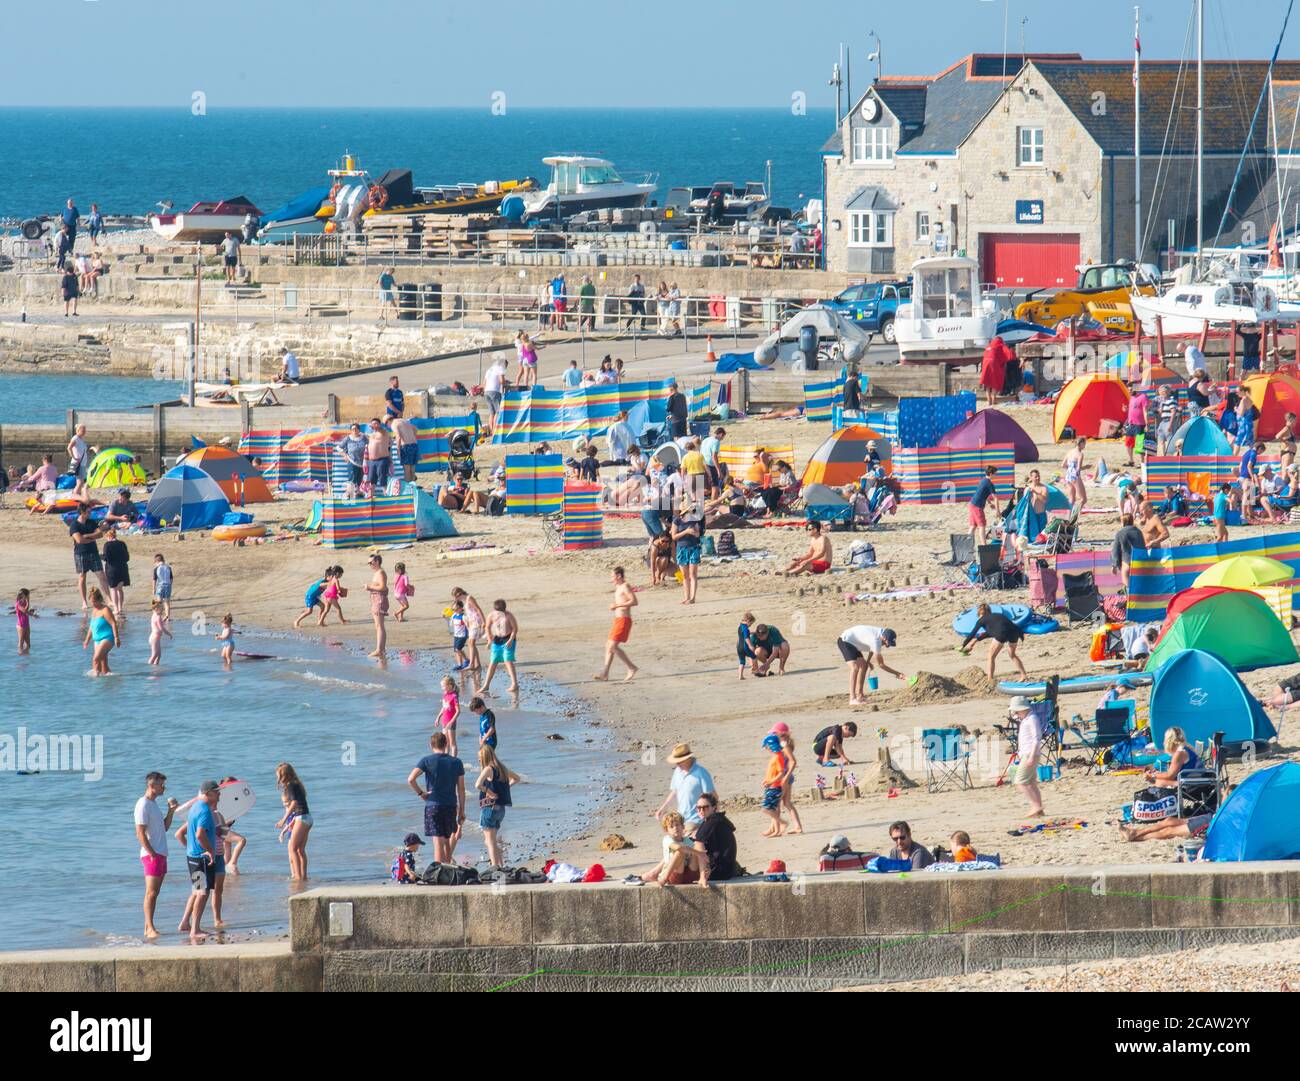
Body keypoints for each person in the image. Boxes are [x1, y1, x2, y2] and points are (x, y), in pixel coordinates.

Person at [134, 771, 179, 939]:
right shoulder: (143, 804)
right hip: (151, 854)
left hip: (161, 852)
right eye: (161, 785)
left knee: (155, 893)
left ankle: (148, 927)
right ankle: (149, 928)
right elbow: (139, 833)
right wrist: (152, 853)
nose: (164, 788)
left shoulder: (153, 805)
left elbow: (165, 827)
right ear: (152, 785)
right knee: (151, 893)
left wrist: (171, 811)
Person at [408, 731, 465, 864]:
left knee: (437, 841)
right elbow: (461, 789)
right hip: (450, 805)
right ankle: (447, 868)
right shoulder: (456, 762)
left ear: (431, 745)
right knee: (447, 840)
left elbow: (411, 779)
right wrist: (462, 810)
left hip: (433, 805)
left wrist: (421, 793)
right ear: (446, 744)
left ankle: (439, 871)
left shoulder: (426, 761)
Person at [183, 780, 222, 942]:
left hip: (193, 857)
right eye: (216, 792)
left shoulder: (195, 807)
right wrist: (210, 851)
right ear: (207, 794)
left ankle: (192, 926)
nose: (219, 795)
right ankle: (195, 929)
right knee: (202, 893)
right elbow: (200, 834)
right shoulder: (205, 810)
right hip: (201, 858)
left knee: (199, 892)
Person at [958, 602, 1029, 682]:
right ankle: (1024, 675)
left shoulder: (981, 620)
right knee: (1012, 654)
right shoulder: (997, 615)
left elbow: (972, 633)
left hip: (1002, 633)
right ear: (989, 611)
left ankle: (990, 679)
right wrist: (974, 641)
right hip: (1015, 632)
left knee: (991, 656)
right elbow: (992, 632)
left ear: (979, 613)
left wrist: (963, 645)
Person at [475, 745, 520, 868]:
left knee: (489, 841)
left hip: (489, 808)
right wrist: (505, 788)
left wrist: (488, 791)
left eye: (479, 758)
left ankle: (495, 867)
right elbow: (516, 778)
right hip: (501, 810)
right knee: (492, 841)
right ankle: (501, 866)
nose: (479, 761)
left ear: (484, 757)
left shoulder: (488, 769)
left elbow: (477, 784)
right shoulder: (502, 768)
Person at [836, 625, 903, 705]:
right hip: (845, 641)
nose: (887, 646)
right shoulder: (876, 640)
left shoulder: (880, 634)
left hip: (854, 643)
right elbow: (881, 664)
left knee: (864, 666)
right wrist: (897, 673)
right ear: (884, 638)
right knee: (855, 667)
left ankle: (860, 696)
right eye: (887, 643)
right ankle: (852, 699)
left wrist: (867, 661)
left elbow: (872, 648)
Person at [654, 743, 715, 828]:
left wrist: (712, 821)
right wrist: (663, 808)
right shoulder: (677, 772)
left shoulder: (701, 773)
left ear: (687, 759)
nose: (677, 764)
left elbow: (712, 797)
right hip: (681, 819)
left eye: (679, 761)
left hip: (697, 821)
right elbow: (675, 792)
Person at [594, 566, 638, 682]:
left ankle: (631, 667)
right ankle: (605, 673)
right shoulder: (618, 587)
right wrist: (615, 607)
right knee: (608, 645)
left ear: (619, 576)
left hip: (624, 620)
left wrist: (617, 606)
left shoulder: (625, 586)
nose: (611, 579)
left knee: (612, 646)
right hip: (618, 620)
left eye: (613, 576)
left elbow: (634, 601)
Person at [641, 812, 704, 886]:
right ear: (666, 830)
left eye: (677, 825)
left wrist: (699, 853)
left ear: (683, 827)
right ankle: (664, 879)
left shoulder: (687, 841)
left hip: (688, 875)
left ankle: (703, 877)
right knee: (680, 852)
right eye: (671, 826)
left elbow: (698, 852)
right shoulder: (667, 840)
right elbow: (678, 847)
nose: (675, 828)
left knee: (698, 845)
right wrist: (697, 852)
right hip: (673, 875)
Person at [1008, 696, 1045, 817]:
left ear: (1024, 709)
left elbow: (1036, 738)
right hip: (1026, 753)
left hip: (1030, 753)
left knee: (1020, 781)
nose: (1016, 714)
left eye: (1017, 711)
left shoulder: (1032, 719)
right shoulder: (1026, 719)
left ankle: (1035, 806)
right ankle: (1039, 808)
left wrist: (1032, 756)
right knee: (1031, 782)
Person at [275, 763, 312, 880]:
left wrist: (283, 820)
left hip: (302, 818)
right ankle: (303, 877)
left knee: (292, 849)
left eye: (279, 776)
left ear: (284, 775)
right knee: (300, 850)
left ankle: (297, 877)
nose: (278, 779)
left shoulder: (291, 785)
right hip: (307, 818)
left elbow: (294, 803)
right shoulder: (297, 784)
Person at [690, 791, 737, 884]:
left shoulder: (712, 821)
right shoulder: (717, 819)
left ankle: (703, 876)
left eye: (705, 807)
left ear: (714, 807)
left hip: (719, 871)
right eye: (699, 808)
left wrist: (703, 875)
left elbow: (699, 842)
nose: (702, 810)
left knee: (690, 846)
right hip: (727, 869)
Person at [478, 599, 519, 698]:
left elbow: (515, 628)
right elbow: (487, 627)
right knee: (493, 662)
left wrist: (510, 640)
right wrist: (489, 640)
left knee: (507, 660)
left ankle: (514, 684)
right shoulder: (492, 615)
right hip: (496, 640)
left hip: (508, 638)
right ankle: (486, 685)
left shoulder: (509, 615)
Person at [670, 498, 702, 604]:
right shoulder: (677, 521)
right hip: (681, 548)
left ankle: (692, 598)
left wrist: (695, 533)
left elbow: (698, 534)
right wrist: (686, 531)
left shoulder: (694, 520)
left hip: (693, 547)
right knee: (685, 576)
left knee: (693, 574)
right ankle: (686, 597)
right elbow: (674, 536)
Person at [1109, 513, 1146, 592]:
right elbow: (1143, 548)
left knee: (1128, 587)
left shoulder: (1120, 533)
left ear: (1123, 522)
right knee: (1139, 588)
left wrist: (1114, 565)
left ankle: (1130, 602)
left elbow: (1115, 550)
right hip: (1140, 563)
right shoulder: (1138, 532)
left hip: (1127, 562)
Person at [1118, 813, 1213, 843]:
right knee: (1169, 820)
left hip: (1212, 823)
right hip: (1211, 816)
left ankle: (1135, 837)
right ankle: (1136, 833)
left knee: (1169, 831)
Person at [967, 465, 1001, 549]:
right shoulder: (989, 483)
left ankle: (966, 544)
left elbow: (981, 493)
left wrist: (989, 503)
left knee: (973, 526)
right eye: (994, 474)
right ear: (990, 474)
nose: (995, 475)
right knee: (982, 525)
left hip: (972, 504)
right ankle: (984, 546)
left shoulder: (983, 481)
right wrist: (997, 511)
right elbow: (996, 498)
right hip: (977, 507)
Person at [778, 731, 803, 835]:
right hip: (787, 776)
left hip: (784, 777)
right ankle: (798, 826)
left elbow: (792, 761)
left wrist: (785, 777)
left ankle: (777, 828)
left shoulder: (784, 747)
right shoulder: (786, 745)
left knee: (776, 803)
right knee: (787, 803)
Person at [101, 527, 130, 616]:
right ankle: (120, 608)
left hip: (112, 569)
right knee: (120, 590)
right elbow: (127, 558)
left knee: (113, 589)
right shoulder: (122, 543)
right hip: (123, 568)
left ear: (109, 536)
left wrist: (100, 556)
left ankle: (116, 609)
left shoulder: (107, 545)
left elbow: (106, 558)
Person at [365, 553, 388, 658]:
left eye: (371, 562)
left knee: (379, 626)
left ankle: (379, 650)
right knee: (378, 626)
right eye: (368, 563)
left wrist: (370, 588)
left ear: (377, 562)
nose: (370, 564)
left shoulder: (381, 572)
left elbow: (383, 587)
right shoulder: (377, 573)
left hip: (379, 600)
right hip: (376, 600)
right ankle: (381, 649)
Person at [979, 336, 1012, 406]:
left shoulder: (989, 346)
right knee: (995, 384)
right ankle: (993, 402)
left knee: (987, 385)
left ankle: (989, 403)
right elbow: (1009, 354)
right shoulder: (1000, 344)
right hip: (994, 364)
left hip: (985, 364)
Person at [1123, 388, 1149, 466]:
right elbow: (1132, 410)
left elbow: (1145, 411)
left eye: (1131, 390)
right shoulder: (1132, 398)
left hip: (1140, 424)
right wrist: (1126, 409)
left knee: (1140, 444)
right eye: (1128, 390)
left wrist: (1147, 424)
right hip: (1131, 424)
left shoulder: (1143, 396)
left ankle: (1142, 463)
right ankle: (1131, 461)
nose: (1129, 391)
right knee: (1128, 443)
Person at [365, 418, 391, 492]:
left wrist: (376, 426)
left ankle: (387, 498)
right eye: (373, 424)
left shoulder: (384, 432)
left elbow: (380, 430)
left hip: (382, 460)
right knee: (371, 480)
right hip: (372, 461)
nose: (374, 425)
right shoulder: (371, 435)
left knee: (383, 480)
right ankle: (370, 497)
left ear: (380, 424)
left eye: (376, 423)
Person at [1062, 437, 1088, 513]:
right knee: (1083, 499)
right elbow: (1078, 469)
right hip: (1075, 476)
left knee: (1072, 499)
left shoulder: (1069, 452)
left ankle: (1068, 516)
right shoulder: (1080, 454)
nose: (1084, 446)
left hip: (1068, 475)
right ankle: (1075, 515)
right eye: (1084, 444)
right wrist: (1086, 467)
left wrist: (1070, 469)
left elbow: (1063, 465)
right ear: (1081, 444)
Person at [483, 356, 508, 432]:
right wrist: (505, 382)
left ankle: (491, 431)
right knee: (497, 412)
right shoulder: (500, 369)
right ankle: (495, 431)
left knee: (491, 413)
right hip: (494, 391)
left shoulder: (490, 369)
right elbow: (501, 381)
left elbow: (484, 383)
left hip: (486, 392)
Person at [392, 414, 419, 482]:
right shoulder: (405, 421)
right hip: (414, 445)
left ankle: (408, 490)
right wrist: (412, 437)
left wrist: (398, 450)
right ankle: (413, 488)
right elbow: (415, 429)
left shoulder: (394, 423)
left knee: (406, 471)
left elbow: (398, 436)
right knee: (412, 470)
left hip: (406, 446)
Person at [67, 423, 90, 497]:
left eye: (85, 430)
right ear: (78, 430)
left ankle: (77, 496)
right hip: (78, 464)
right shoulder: (75, 438)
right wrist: (73, 457)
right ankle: (74, 496)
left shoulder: (81, 439)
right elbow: (69, 447)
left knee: (81, 482)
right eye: (83, 430)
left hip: (82, 464)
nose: (84, 432)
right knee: (80, 483)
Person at [1155, 384, 1180, 454]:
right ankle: (1163, 456)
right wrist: (1160, 410)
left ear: (1169, 392)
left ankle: (1171, 456)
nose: (1163, 393)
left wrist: (1170, 425)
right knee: (1161, 440)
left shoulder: (1171, 401)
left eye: (1165, 392)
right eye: (1162, 392)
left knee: (1170, 440)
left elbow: (1173, 412)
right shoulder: (1163, 402)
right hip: (1163, 422)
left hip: (1169, 421)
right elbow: (1161, 414)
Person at [15, 588, 34, 654]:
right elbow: (24, 610)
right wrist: (28, 602)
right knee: (21, 642)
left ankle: (26, 656)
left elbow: (26, 612)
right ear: (24, 595)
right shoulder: (18, 603)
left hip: (26, 624)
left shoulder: (24, 602)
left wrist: (31, 614)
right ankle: (20, 655)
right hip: (21, 625)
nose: (29, 596)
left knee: (28, 643)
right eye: (28, 595)